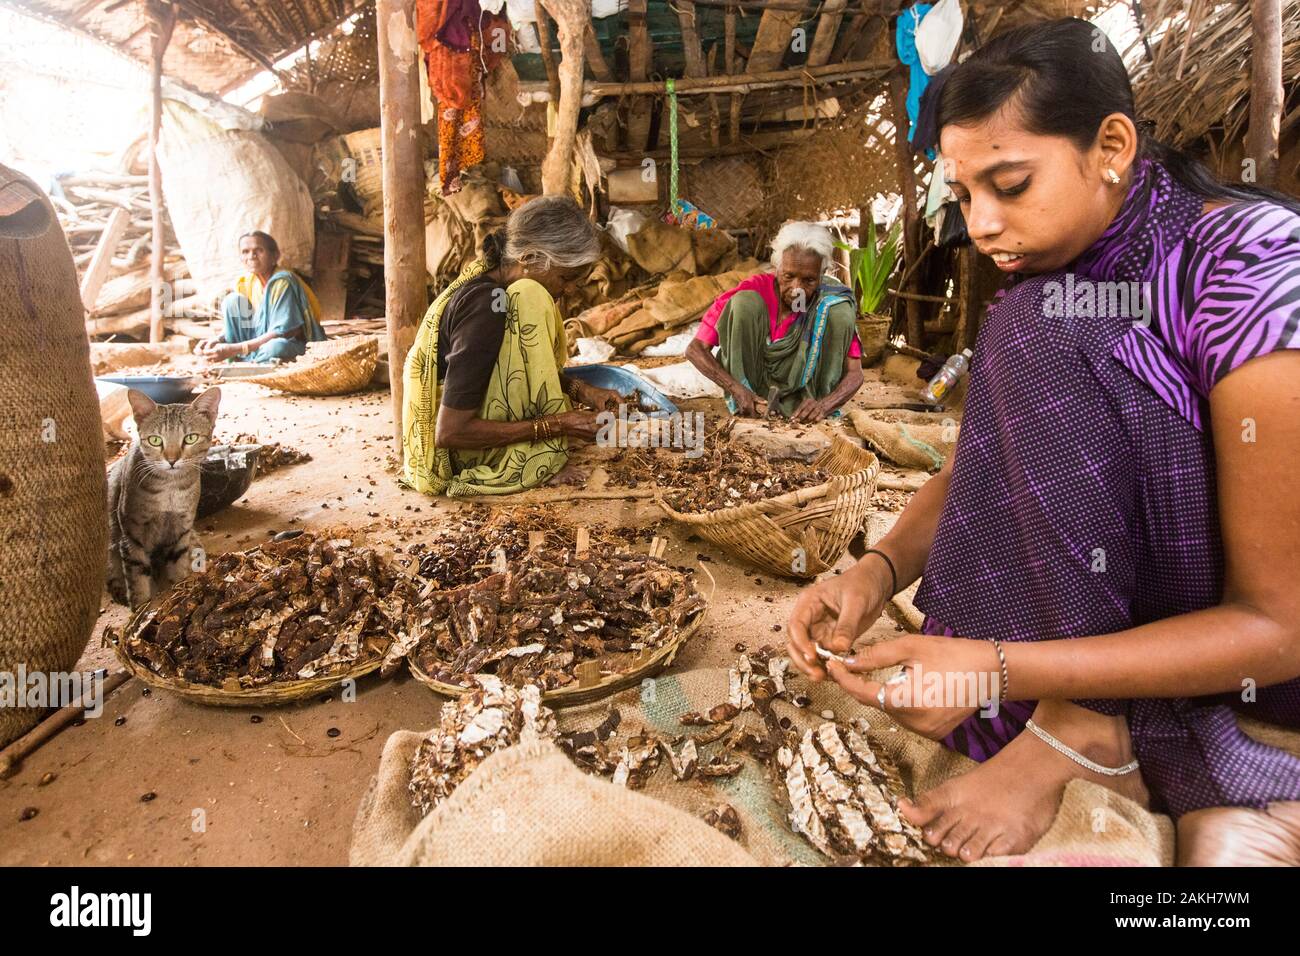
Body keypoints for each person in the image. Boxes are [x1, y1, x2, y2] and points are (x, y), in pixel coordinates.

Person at [786, 18, 1300, 866]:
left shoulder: (1251, 268)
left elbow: (1278, 627)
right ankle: (1082, 715)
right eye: (964, 195)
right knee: (1030, 324)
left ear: (1112, 147)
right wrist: (873, 574)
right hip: (1166, 613)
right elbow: (986, 468)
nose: (982, 223)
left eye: (1011, 184)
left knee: (1036, 325)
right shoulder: (1065, 268)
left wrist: (998, 668)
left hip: (1263, 658)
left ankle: (1088, 731)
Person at [400, 196, 621, 496]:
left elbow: (512, 367)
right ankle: (528, 460)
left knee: (530, 296)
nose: (569, 290)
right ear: (528, 258)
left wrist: (581, 390)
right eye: (566, 278)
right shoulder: (487, 306)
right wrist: (557, 425)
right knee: (532, 296)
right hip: (456, 454)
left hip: (467, 436)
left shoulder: (498, 289)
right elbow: (451, 432)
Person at [685, 221, 864, 422]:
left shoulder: (830, 303)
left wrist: (825, 405)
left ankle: (810, 403)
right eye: (789, 276)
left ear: (821, 276)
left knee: (840, 313)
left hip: (809, 398)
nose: (797, 288)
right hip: (753, 389)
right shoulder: (754, 290)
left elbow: (855, 373)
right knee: (744, 303)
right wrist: (736, 389)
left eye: (809, 280)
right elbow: (695, 349)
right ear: (776, 269)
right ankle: (750, 400)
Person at [197, 231, 326, 363]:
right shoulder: (247, 282)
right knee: (232, 301)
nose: (251, 256)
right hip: (257, 344)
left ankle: (247, 362)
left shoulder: (282, 282)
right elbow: (242, 324)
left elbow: (286, 332)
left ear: (275, 256)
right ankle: (249, 360)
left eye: (258, 250)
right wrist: (218, 340)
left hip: (289, 343)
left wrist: (238, 348)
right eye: (245, 252)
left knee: (276, 347)